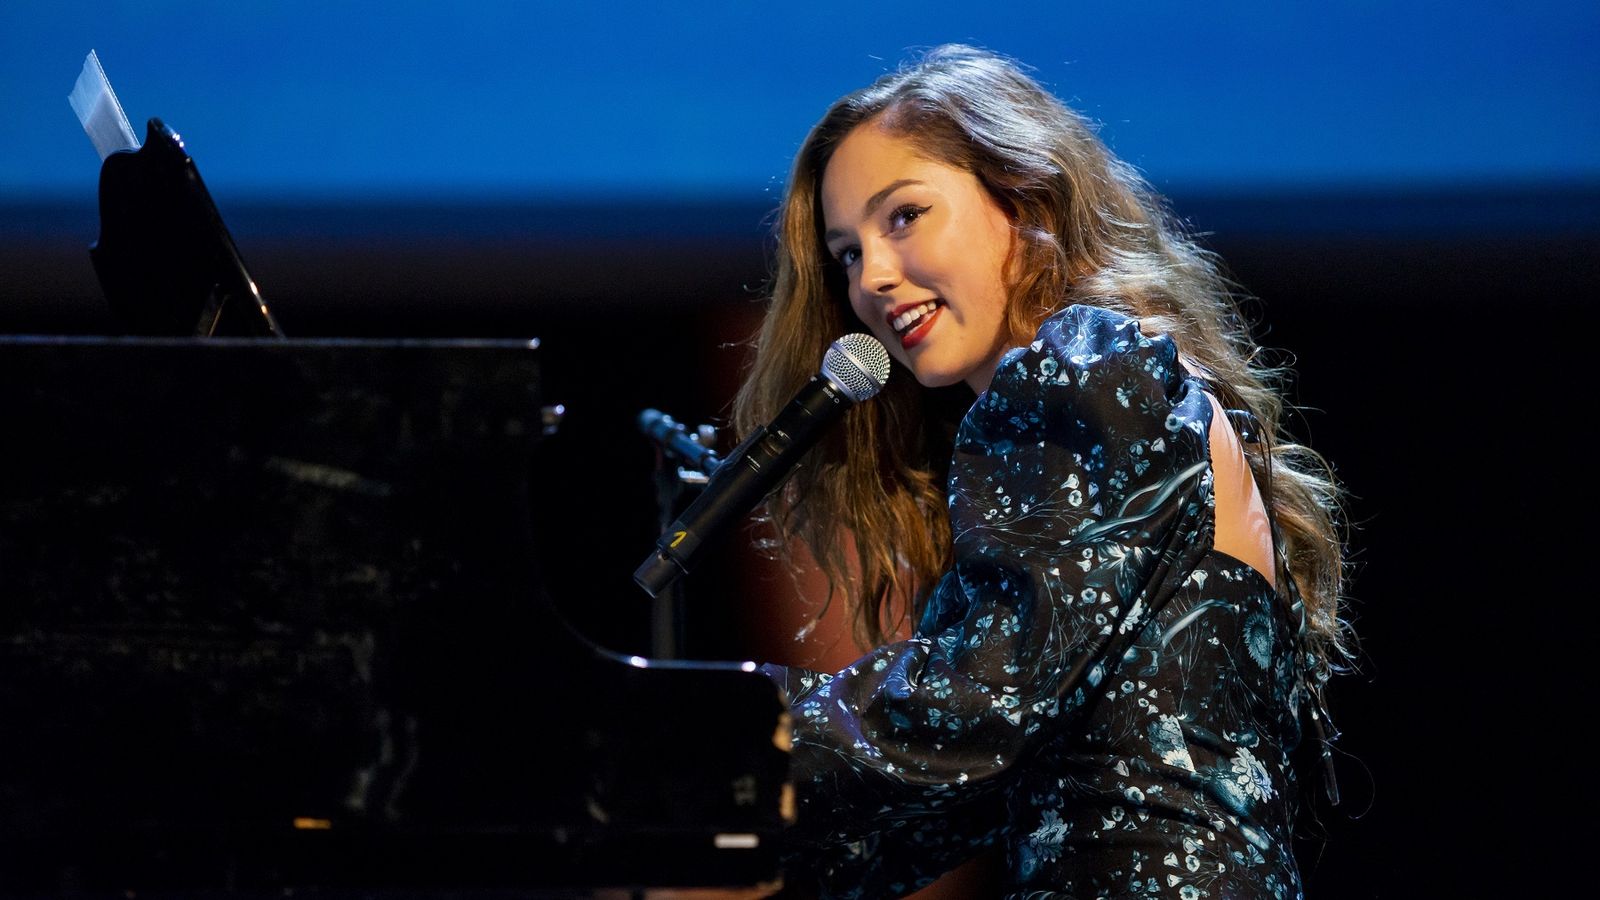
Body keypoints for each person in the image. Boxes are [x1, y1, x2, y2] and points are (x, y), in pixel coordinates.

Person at [730, 44, 1352, 900]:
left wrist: (721, 744)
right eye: (845, 252)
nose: (871, 277)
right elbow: (974, 784)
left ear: (1024, 200)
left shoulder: (1088, 372)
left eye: (903, 216)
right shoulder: (1123, 393)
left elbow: (968, 706)